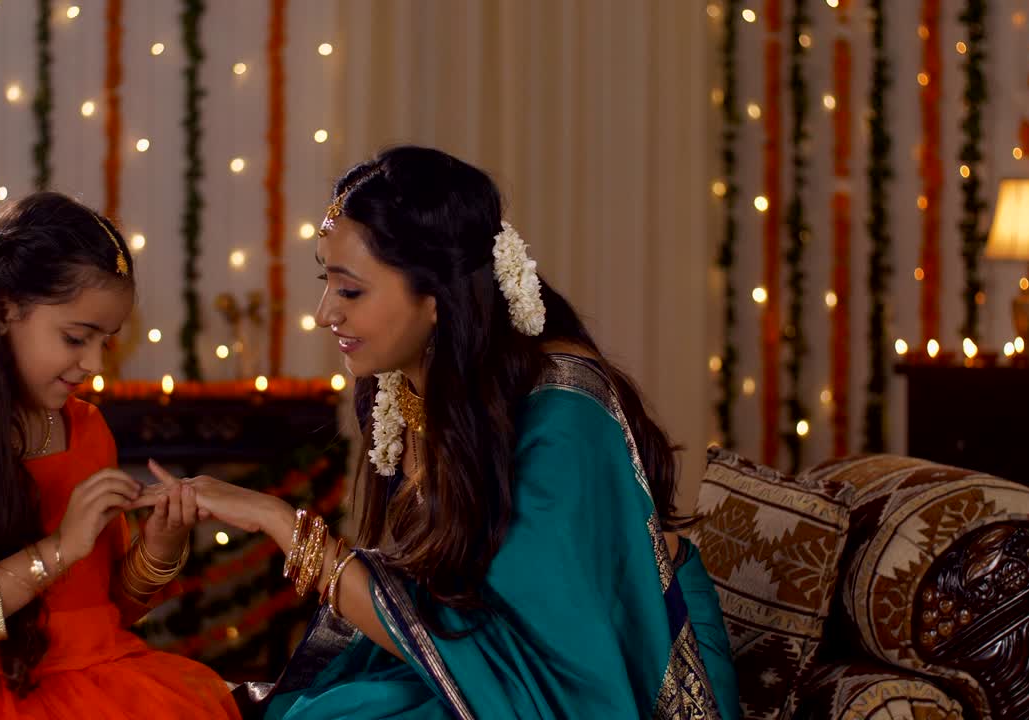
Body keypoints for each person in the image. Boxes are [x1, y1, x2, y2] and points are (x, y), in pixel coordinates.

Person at [148, 146, 740, 719]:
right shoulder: (405, 383)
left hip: (612, 675)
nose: (327, 312)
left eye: (350, 290)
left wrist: (282, 524)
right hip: (479, 669)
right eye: (326, 283)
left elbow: (541, 662)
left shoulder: (564, 415)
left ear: (436, 299)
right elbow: (436, 612)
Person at [0, 192, 240, 719]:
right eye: (76, 337)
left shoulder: (86, 429)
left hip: (102, 684)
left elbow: (108, 611)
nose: (94, 364)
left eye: (107, 340)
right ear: (6, 309)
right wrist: (55, 552)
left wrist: (160, 545)